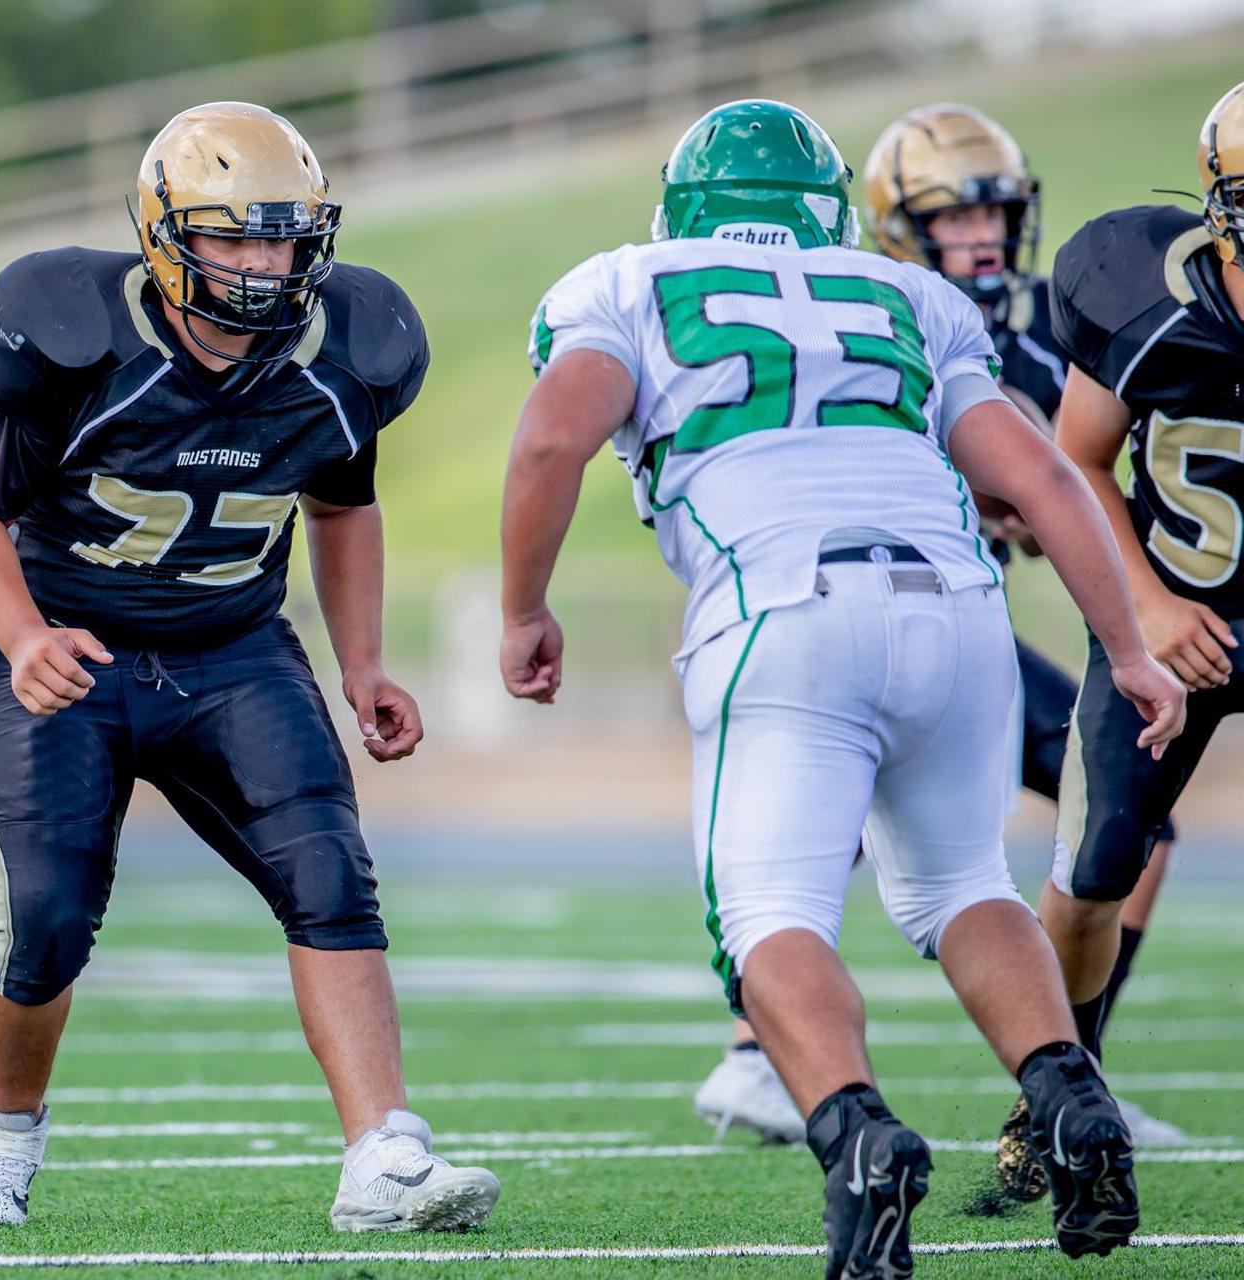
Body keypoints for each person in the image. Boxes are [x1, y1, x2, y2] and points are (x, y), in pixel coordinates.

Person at [502, 98, 1184, 1275]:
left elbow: (553, 440)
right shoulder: (906, 294)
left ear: (683, 207)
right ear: (831, 209)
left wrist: (523, 609)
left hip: (783, 607)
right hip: (957, 611)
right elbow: (1040, 472)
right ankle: (1070, 1095)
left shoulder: (624, 280)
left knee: (770, 918)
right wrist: (1126, 648)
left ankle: (856, 1132)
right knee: (969, 885)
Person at [0, 100, 500, 1235]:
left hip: (231, 648)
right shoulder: (73, 337)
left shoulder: (348, 351)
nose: (258, 262)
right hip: (68, 652)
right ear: (164, 234)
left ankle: (383, 1154)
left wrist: (364, 660)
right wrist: (22, 636)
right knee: (42, 916)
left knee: (330, 868)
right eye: (230, 235)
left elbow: (345, 506)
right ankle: (3, 1127)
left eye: (280, 237)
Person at [690, 102, 1187, 1155]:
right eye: (958, 218)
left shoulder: (1039, 342)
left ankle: (1068, 1068)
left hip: (951, 620)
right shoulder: (875, 309)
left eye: (1000, 214)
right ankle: (755, 1049)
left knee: (1128, 820)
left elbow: (1067, 480)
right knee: (821, 825)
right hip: (832, 594)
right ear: (891, 228)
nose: (987, 239)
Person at [990, 79, 1244, 1195]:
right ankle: (1059, 1088)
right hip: (1174, 616)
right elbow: (1076, 458)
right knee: (1093, 869)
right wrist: (1142, 602)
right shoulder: (1149, 298)